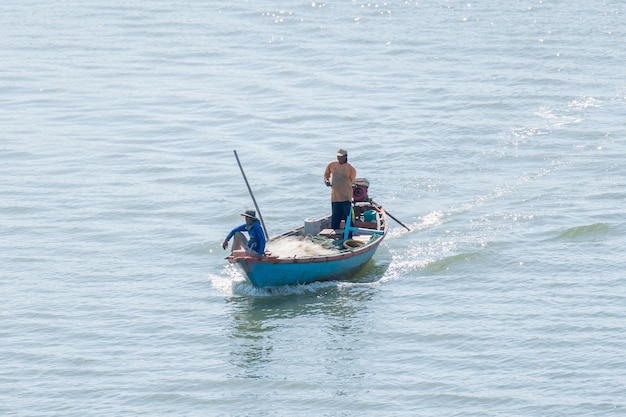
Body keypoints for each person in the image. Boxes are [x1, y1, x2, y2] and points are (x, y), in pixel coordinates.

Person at [323, 148, 357, 230]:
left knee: (348, 218)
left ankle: (349, 236)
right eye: (338, 156)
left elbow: (352, 180)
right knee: (335, 218)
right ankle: (335, 236)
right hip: (335, 198)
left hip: (346, 197)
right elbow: (326, 175)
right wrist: (327, 181)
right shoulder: (332, 165)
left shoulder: (350, 168)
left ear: (346, 157)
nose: (339, 158)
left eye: (341, 157)